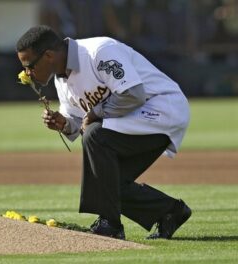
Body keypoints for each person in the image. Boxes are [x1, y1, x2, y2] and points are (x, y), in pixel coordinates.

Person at [16, 25, 191, 240]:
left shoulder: (98, 51)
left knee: (94, 135)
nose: (27, 73)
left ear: (49, 56)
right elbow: (78, 122)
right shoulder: (61, 81)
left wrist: (95, 114)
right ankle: (169, 211)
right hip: (136, 119)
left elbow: (133, 95)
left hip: (162, 107)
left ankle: (110, 224)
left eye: (29, 66)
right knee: (108, 182)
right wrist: (63, 123)